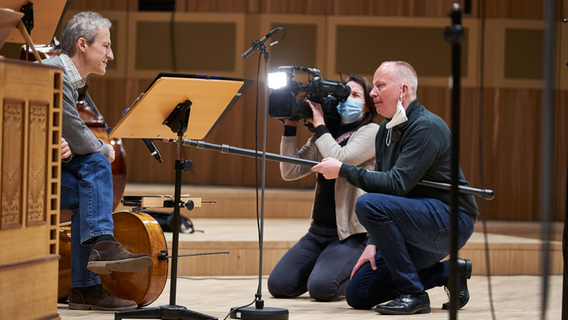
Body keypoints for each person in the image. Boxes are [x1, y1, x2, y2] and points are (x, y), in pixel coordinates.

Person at [312, 61, 479, 315]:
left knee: (366, 203)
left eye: (380, 85)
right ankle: (448, 271)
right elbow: (384, 190)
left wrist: (343, 170)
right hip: (415, 222)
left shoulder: (426, 126)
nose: (372, 93)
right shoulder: (385, 131)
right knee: (359, 294)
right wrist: (371, 242)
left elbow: (397, 184)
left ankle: (414, 294)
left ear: (402, 90)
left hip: (450, 221)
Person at [46, 12, 152, 311]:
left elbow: (68, 135)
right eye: (105, 46)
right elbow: (77, 135)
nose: (111, 54)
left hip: (43, 170)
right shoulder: (53, 73)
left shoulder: (65, 76)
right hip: (22, 176)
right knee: (95, 160)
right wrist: (104, 148)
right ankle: (96, 262)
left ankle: (86, 286)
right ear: (82, 44)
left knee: (89, 184)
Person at [267, 74, 380, 302]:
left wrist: (319, 125)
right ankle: (326, 266)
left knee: (322, 289)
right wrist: (290, 127)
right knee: (278, 285)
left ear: (367, 107)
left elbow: (341, 158)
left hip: (351, 235)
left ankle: (373, 275)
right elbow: (290, 172)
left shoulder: (371, 132)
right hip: (318, 231)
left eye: (355, 95)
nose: (348, 99)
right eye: (344, 94)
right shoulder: (327, 134)